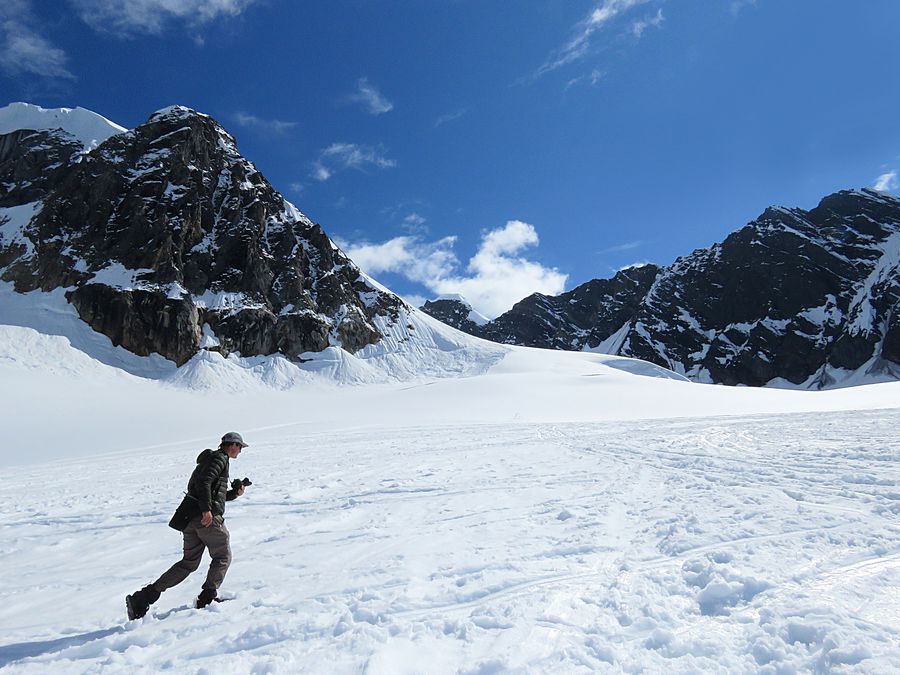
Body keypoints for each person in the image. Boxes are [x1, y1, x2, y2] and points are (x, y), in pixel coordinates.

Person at [125, 432, 250, 620]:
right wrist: (207, 510)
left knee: (188, 564)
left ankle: (143, 598)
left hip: (190, 519)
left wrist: (235, 494)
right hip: (206, 518)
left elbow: (212, 491)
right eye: (240, 447)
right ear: (232, 445)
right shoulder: (219, 458)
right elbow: (204, 483)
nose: (240, 451)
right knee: (222, 555)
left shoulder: (210, 459)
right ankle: (207, 598)